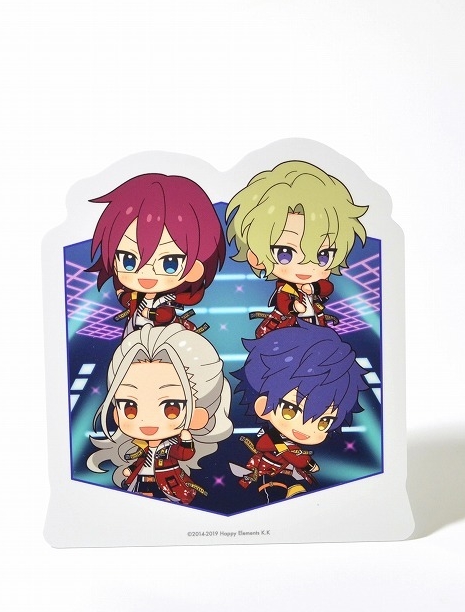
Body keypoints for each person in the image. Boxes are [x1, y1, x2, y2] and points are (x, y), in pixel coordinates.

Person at [87, 324, 233, 505]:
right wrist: (130, 471)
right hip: (141, 484)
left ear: (197, 416)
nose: (147, 419)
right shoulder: (141, 447)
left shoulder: (171, 447)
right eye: (130, 406)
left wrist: (186, 441)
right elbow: (141, 462)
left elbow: (184, 454)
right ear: (116, 413)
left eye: (171, 407)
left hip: (167, 485)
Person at [225, 161, 367, 337]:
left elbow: (327, 287)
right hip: (287, 326)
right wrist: (294, 307)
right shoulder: (285, 289)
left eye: (323, 255)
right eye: (285, 253)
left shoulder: (317, 283)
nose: (306, 266)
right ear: (256, 257)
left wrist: (313, 290)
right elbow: (282, 302)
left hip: (315, 323)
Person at [231, 322, 367, 501]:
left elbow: (294, 457)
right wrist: (303, 462)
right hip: (271, 474)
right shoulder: (273, 439)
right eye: (291, 410)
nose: (306, 426)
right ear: (263, 407)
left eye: (324, 421)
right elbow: (274, 448)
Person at [88, 173, 226, 336]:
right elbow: (126, 299)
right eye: (128, 260)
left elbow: (165, 315)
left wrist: (147, 312)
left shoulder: (167, 299)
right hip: (134, 334)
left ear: (194, 269)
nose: (145, 272)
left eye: (169, 263)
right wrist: (122, 295)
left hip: (161, 337)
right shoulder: (134, 295)